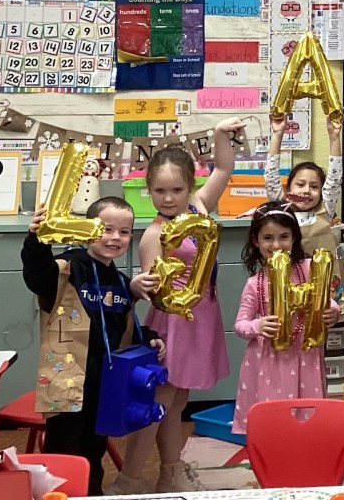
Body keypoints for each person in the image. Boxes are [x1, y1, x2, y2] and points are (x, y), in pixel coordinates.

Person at [109, 119, 243, 494]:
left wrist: (219, 135)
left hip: (202, 318)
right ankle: (128, 479)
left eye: (176, 189)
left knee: (177, 401)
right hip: (174, 325)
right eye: (159, 191)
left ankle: (170, 469)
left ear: (191, 187)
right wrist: (142, 287)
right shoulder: (154, 234)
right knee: (156, 402)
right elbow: (153, 290)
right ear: (149, 190)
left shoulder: (199, 208)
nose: (168, 198)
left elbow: (225, 168)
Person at [23, 197, 164, 495]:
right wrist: (37, 240)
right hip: (68, 386)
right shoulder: (68, 269)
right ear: (88, 229)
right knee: (63, 456)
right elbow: (38, 275)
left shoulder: (121, 281)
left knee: (93, 452)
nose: (115, 238)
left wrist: (148, 336)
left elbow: (124, 327)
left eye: (124, 232)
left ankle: (91, 493)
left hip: (105, 387)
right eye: (106, 229)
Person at [232, 203, 340, 434]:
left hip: (305, 354)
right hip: (268, 362)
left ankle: (306, 447)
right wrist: (257, 326)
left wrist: (332, 309)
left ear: (294, 238)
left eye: (284, 237)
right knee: (273, 414)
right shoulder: (254, 284)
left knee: (308, 415)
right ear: (256, 241)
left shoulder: (310, 268)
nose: (276, 245)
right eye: (268, 238)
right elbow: (240, 325)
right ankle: (274, 450)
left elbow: (326, 299)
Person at [267, 115, 344, 303]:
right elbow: (271, 178)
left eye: (314, 187)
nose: (306, 191)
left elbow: (334, 179)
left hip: (323, 293)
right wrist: (277, 134)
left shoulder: (326, 208)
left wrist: (334, 137)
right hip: (289, 292)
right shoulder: (283, 212)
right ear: (287, 189)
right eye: (300, 184)